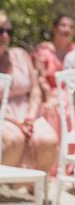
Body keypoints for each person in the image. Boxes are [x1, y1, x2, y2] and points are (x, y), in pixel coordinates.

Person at [0, 11, 57, 172]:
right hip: (4, 116)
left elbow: (34, 90)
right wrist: (15, 122)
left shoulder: (20, 55)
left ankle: (37, 189)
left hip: (27, 112)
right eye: (0, 31)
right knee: (13, 139)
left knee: (48, 139)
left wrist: (30, 117)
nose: (4, 36)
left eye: (8, 31)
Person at [33, 14, 75, 170]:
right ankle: (52, 166)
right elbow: (40, 77)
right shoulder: (43, 51)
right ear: (55, 28)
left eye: (71, 27)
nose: (67, 30)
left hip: (71, 93)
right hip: (50, 93)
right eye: (64, 25)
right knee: (54, 110)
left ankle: (71, 165)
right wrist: (49, 96)